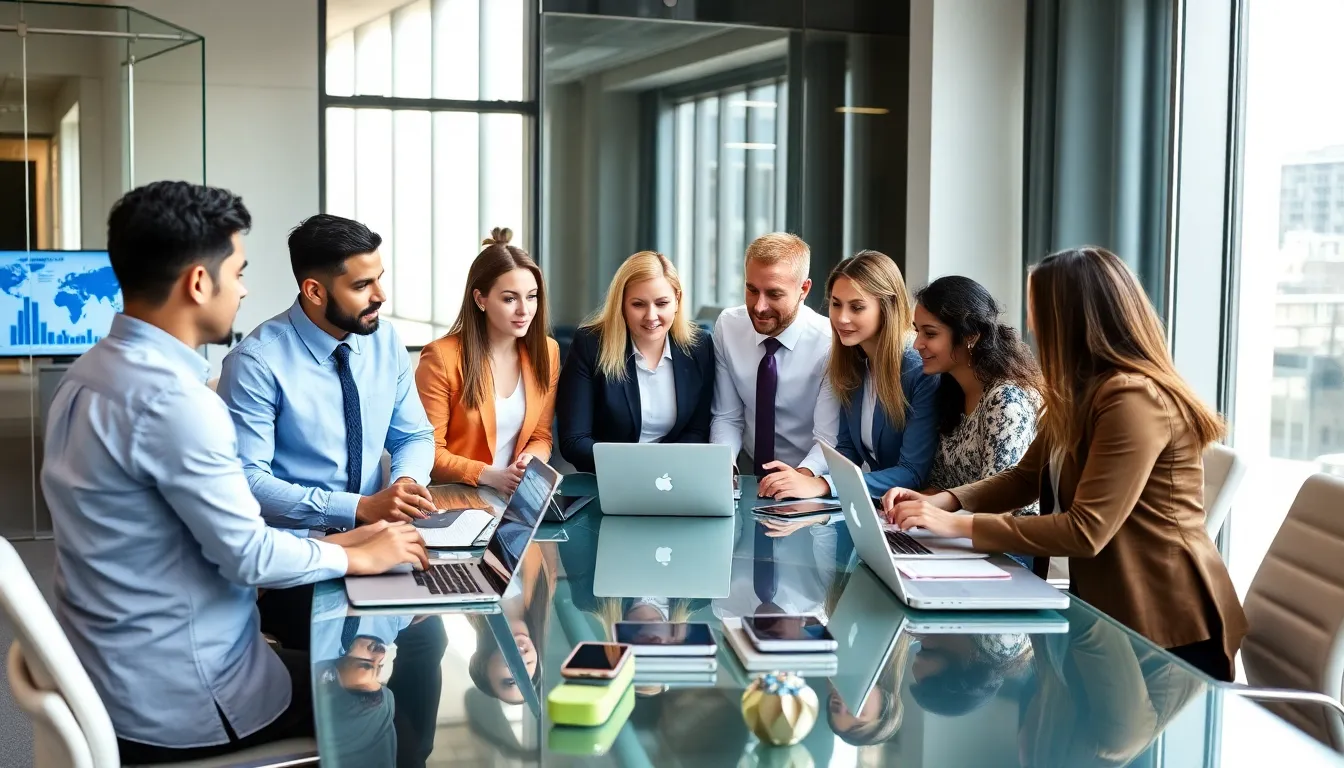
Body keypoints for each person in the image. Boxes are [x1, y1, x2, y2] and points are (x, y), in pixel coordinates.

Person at [41, 181, 428, 764]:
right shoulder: (176, 402)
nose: (244, 290)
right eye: (238, 272)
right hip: (193, 696)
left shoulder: (88, 374)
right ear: (200, 282)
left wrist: (351, 538)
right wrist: (355, 554)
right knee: (372, 707)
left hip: (118, 673)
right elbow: (248, 556)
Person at [883, 246, 1248, 681]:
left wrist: (956, 525)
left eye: (1038, 308)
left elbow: (1085, 530)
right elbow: (1025, 477)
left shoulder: (1133, 398)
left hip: (1166, 625)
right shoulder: (1078, 391)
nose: (1031, 322)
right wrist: (943, 502)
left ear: (1072, 315)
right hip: (1108, 611)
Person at [217, 213, 437, 650]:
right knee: (334, 652)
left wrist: (404, 485)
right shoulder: (256, 363)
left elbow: (413, 435)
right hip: (300, 562)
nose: (380, 295)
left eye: (379, 278)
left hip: (382, 542)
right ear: (314, 291)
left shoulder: (385, 341)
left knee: (429, 640)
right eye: (362, 285)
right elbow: (246, 483)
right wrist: (359, 508)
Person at [416, 228, 560, 495]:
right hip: (457, 497)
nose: (524, 310)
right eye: (509, 298)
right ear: (480, 299)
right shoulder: (441, 358)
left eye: (531, 296)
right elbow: (427, 452)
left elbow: (541, 436)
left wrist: (529, 461)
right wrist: (491, 476)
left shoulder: (547, 351)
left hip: (517, 497)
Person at [789, 250, 940, 500]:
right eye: (836, 304)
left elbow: (912, 473)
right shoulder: (852, 363)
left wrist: (824, 485)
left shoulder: (918, 370)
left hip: (920, 507)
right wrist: (804, 478)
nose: (841, 318)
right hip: (878, 507)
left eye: (857, 307)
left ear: (887, 308)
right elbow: (848, 449)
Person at [557, 251, 715, 472]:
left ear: (677, 300)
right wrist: (640, 467)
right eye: (638, 304)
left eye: (662, 303)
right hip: (609, 477)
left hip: (673, 476)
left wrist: (662, 469)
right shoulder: (590, 345)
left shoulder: (700, 346)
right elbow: (574, 441)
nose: (651, 316)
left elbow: (698, 430)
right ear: (621, 303)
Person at [709, 232, 839, 498]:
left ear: (804, 289)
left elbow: (828, 438)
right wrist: (724, 468)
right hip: (748, 478)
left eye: (774, 294)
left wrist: (801, 479)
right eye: (751, 290)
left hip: (810, 479)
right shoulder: (729, 326)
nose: (759, 307)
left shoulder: (830, 343)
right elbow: (727, 416)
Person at [914, 276, 1042, 512]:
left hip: (1006, 534)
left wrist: (934, 515)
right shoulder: (951, 390)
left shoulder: (1006, 400)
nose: (916, 344)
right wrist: (913, 502)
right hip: (959, 529)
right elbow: (942, 485)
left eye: (930, 334)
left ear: (970, 335)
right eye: (917, 331)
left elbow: (1000, 506)